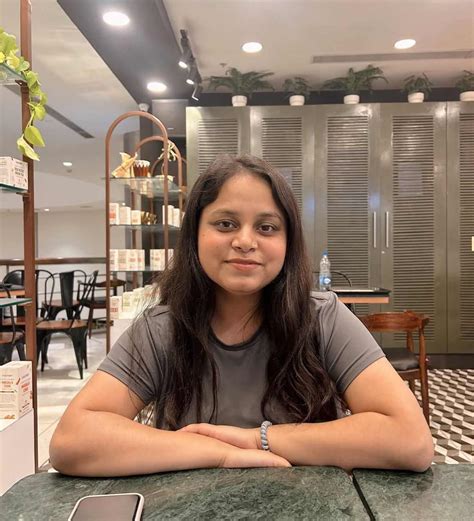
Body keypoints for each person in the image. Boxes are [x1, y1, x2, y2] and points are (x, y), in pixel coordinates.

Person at [50, 154, 433, 477]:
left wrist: (257, 440)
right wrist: (221, 454)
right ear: (195, 234)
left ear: (288, 242)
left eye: (266, 227)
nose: (245, 241)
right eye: (225, 224)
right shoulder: (161, 330)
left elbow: (411, 441)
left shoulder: (324, 319)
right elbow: (72, 441)